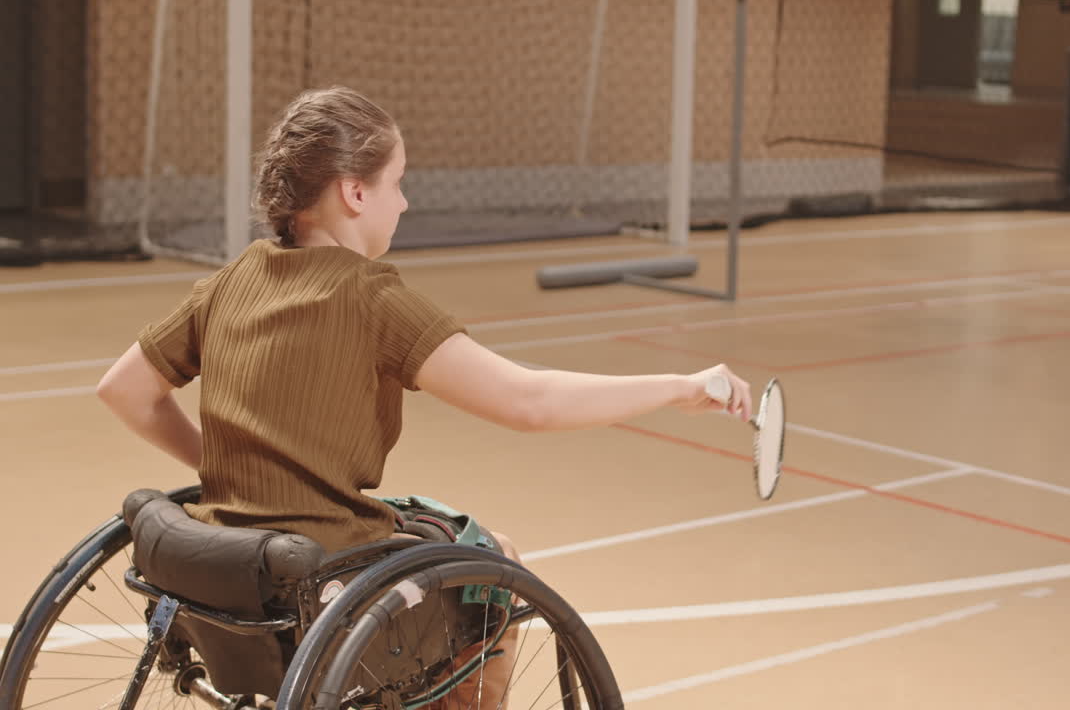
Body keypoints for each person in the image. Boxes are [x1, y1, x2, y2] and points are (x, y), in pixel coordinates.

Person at [95, 86, 751, 710]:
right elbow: (529, 400)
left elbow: (122, 389)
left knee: (446, 540)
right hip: (320, 575)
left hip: (222, 564)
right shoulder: (370, 296)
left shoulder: (230, 280)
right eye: (397, 183)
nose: (404, 203)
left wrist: (229, 467)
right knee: (496, 564)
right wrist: (677, 387)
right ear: (355, 192)